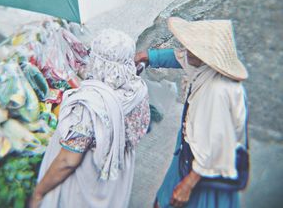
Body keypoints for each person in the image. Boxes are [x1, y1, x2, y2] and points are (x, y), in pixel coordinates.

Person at [135, 17, 248, 208]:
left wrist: (188, 184)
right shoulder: (206, 65)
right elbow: (180, 57)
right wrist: (148, 56)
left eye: (191, 49)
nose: (186, 51)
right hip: (188, 156)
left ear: (206, 56)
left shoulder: (217, 92)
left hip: (203, 171)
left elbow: (218, 144)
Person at [30, 29, 150, 208]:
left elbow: (68, 161)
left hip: (86, 182)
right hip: (115, 178)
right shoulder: (138, 90)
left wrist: (39, 193)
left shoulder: (89, 106)